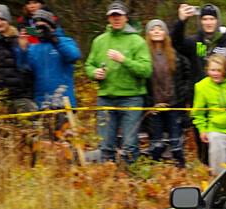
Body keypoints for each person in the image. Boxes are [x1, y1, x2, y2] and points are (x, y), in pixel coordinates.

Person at [84, 1, 152, 163]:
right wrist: (95, 73)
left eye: (119, 15)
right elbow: (88, 65)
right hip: (106, 98)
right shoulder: (99, 41)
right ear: (108, 18)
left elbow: (146, 70)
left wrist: (124, 60)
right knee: (106, 144)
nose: (116, 19)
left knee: (129, 144)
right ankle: (108, 180)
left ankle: (130, 180)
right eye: (112, 16)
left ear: (126, 18)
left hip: (131, 97)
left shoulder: (137, 41)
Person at [173, 3, 226, 164]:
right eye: (205, 19)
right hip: (201, 101)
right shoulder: (195, 42)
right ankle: (207, 175)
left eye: (211, 18)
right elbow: (176, 43)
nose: (208, 22)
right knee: (203, 145)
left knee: (225, 146)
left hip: (224, 103)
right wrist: (181, 21)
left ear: (217, 21)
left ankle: (225, 173)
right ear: (201, 21)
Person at [145, 19, 192, 167]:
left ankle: (180, 168)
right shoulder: (144, 55)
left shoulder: (175, 54)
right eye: (153, 29)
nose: (157, 31)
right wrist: (149, 102)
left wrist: (182, 95)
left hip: (173, 103)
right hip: (155, 105)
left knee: (176, 140)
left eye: (160, 28)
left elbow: (186, 74)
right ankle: (154, 171)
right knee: (157, 143)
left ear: (165, 33)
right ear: (148, 34)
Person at [18, 9, 80, 109]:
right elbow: (24, 69)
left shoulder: (65, 41)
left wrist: (54, 39)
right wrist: (23, 50)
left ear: (51, 26)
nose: (41, 30)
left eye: (43, 26)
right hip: (42, 103)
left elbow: (74, 56)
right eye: (37, 27)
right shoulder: (34, 48)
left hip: (64, 102)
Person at [0, 4, 36, 112]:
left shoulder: (19, 39)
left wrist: (23, 49)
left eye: (2, 19)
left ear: (8, 21)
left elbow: (27, 67)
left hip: (21, 95)